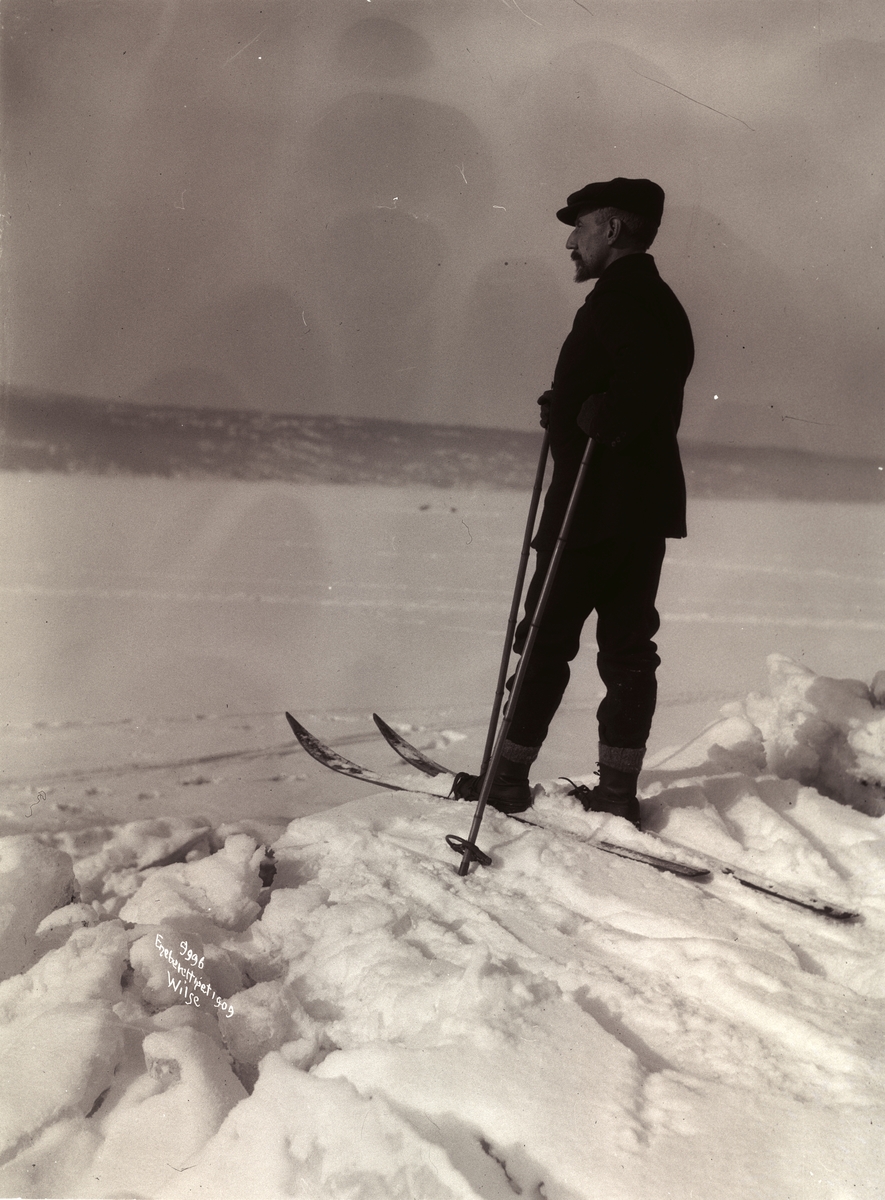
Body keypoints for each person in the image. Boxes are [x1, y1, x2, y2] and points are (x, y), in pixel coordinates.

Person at [453, 177, 694, 829]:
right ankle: (615, 790)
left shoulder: (621, 299)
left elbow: (636, 387)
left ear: (611, 230)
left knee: (543, 642)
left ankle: (504, 782)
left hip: (590, 507)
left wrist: (600, 415)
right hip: (636, 509)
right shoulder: (652, 298)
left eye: (579, 226)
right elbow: (633, 379)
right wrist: (568, 406)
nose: (569, 240)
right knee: (625, 648)